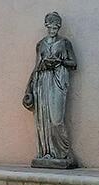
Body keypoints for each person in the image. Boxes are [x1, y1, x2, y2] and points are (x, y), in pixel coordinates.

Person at [23, 11, 78, 168]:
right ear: (46, 27)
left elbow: (73, 63)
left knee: (56, 119)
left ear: (59, 27)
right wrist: (28, 88)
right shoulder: (41, 44)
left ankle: (63, 153)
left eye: (55, 27)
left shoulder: (65, 43)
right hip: (42, 82)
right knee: (43, 120)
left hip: (59, 80)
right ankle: (46, 153)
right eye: (50, 27)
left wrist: (59, 62)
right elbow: (36, 66)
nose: (52, 30)